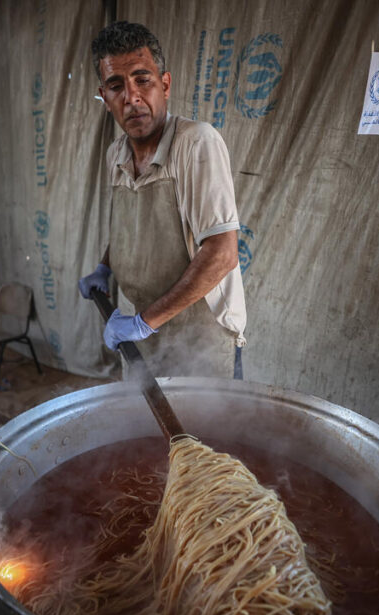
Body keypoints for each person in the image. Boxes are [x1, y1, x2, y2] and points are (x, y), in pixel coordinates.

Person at [78, 21, 246, 379]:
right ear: (105, 98)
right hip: (144, 338)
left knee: (202, 434)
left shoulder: (196, 144)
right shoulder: (115, 155)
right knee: (145, 431)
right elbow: (130, 226)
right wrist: (105, 267)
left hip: (198, 342)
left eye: (143, 80)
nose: (132, 97)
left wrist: (142, 323)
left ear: (165, 85)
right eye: (116, 86)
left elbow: (222, 253)